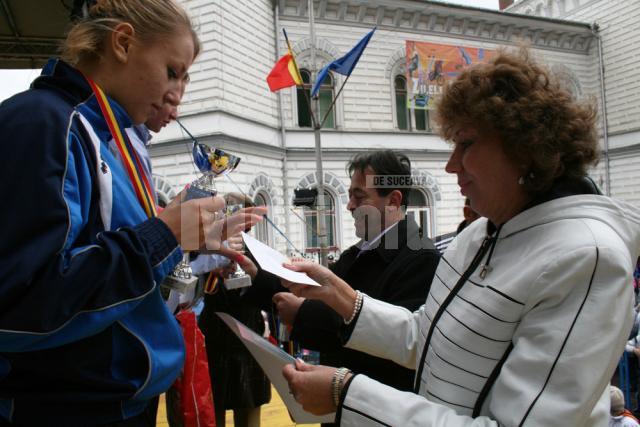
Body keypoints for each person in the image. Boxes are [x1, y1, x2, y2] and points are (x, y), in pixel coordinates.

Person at [280, 49, 640, 426]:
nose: (452, 164)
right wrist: (341, 295)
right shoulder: (484, 233)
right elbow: (426, 337)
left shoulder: (587, 257)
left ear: (524, 146)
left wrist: (347, 394)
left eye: (465, 144)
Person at [0, 1, 264, 425]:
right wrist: (164, 235)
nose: (178, 96)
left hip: (113, 399)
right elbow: (24, 300)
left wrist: (189, 244)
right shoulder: (43, 122)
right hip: (65, 407)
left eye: (186, 78)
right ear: (122, 43)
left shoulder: (106, 139)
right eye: (172, 72)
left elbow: (110, 267)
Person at [240, 150, 441, 401]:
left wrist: (303, 312)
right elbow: (305, 289)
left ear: (393, 200)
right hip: (342, 401)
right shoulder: (358, 252)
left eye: (359, 197)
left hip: (372, 408)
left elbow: (393, 341)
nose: (349, 206)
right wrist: (254, 274)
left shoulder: (422, 258)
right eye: (349, 196)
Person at [193, 193, 271, 427]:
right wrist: (210, 271)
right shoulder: (205, 247)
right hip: (215, 336)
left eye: (238, 212)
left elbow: (265, 290)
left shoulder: (257, 250)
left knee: (249, 411)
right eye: (227, 211)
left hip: (247, 337)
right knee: (212, 409)